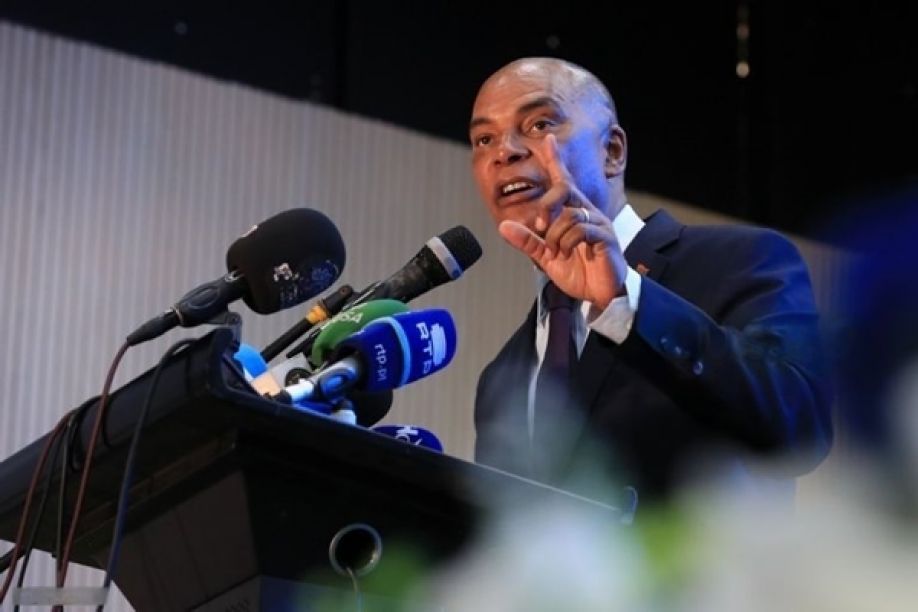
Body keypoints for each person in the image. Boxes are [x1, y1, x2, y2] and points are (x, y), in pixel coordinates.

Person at [470, 57, 833, 502]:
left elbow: (799, 429)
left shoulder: (741, 260)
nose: (504, 151)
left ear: (612, 151)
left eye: (539, 123)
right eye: (484, 139)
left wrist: (627, 300)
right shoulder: (500, 377)